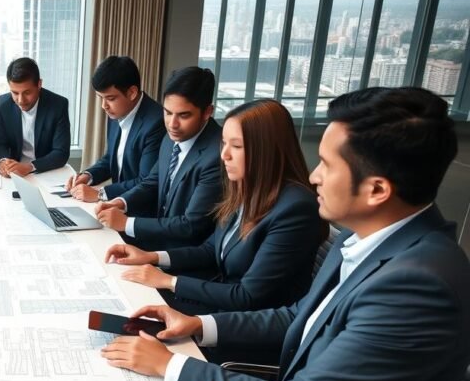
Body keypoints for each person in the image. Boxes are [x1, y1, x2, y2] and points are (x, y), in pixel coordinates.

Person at [100, 87, 470, 381]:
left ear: (376, 189)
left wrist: (169, 365)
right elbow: (300, 316)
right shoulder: (364, 236)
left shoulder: (419, 284)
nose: (312, 176)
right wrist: (198, 325)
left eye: (328, 166)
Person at [105, 99, 325, 317]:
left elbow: (248, 296)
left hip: (240, 325)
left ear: (267, 150)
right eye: (224, 143)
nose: (224, 155)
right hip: (216, 302)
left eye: (236, 146)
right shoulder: (247, 187)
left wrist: (168, 281)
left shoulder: (296, 209)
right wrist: (151, 256)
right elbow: (210, 250)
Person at [95, 66, 223, 251]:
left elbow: (191, 225)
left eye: (184, 115)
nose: (172, 124)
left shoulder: (217, 155)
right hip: (157, 241)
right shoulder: (171, 137)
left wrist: (127, 224)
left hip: (185, 256)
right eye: (168, 112)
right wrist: (121, 202)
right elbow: (152, 182)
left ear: (207, 112)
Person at [65, 55, 164, 202]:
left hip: (139, 209)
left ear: (132, 93)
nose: (103, 106)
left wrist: (100, 194)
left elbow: (146, 181)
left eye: (110, 99)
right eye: (101, 98)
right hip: (116, 205)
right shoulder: (117, 111)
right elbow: (112, 158)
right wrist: (88, 176)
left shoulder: (156, 122)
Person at [0, 57, 71, 176]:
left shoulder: (58, 105)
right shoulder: (3, 103)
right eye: (15, 93)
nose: (20, 100)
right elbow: (0, 143)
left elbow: (61, 152)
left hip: (45, 170)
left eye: (27, 93)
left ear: (39, 84)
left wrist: (30, 167)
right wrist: (3, 162)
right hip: (14, 172)